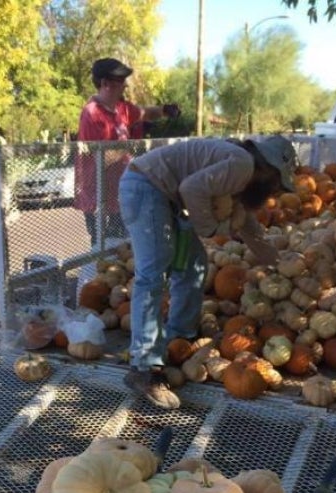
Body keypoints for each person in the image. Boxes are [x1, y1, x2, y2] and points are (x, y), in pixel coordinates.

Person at [117, 135, 297, 409]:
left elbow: (246, 223)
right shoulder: (242, 164)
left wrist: (277, 263)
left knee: (195, 265)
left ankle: (179, 335)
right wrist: (210, 229)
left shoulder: (240, 170)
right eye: (276, 183)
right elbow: (191, 189)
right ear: (268, 169)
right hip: (146, 188)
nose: (274, 191)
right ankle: (143, 368)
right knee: (153, 273)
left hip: (165, 197)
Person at [75, 58, 179, 246]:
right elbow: (100, 159)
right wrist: (134, 148)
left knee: (126, 244)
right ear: (105, 84)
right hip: (98, 198)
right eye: (120, 81)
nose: (125, 85)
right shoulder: (91, 114)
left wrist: (164, 110)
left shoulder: (121, 109)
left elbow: (145, 113)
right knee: (104, 247)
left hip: (121, 193)